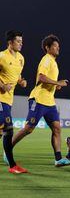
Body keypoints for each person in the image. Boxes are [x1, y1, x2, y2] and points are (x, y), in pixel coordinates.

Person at [12, 34, 70, 167]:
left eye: (58, 46)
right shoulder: (46, 60)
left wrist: (56, 86)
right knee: (28, 129)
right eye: (55, 46)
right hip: (38, 99)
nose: (58, 48)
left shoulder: (53, 62)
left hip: (49, 102)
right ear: (47, 48)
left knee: (57, 129)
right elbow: (41, 77)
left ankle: (58, 159)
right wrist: (58, 82)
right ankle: (8, 149)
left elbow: (47, 81)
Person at [0, 30, 28, 173]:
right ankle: (12, 165)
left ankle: (12, 165)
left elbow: (17, 76)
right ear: (10, 42)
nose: (21, 43)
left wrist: (21, 81)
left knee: (2, 131)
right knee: (9, 129)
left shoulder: (21, 58)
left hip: (8, 101)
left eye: (21, 41)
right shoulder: (1, 56)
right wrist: (2, 85)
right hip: (0, 98)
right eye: (18, 41)